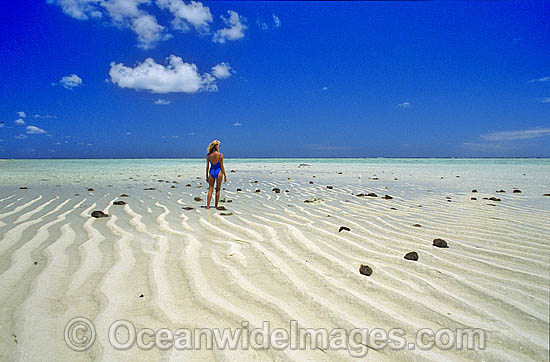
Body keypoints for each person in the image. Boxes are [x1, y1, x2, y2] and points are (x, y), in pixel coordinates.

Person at [205, 140, 227, 209]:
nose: (219, 147)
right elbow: (221, 166)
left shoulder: (208, 155)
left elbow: (207, 166)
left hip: (211, 172)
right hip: (219, 172)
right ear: (216, 146)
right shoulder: (220, 155)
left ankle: (208, 206)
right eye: (218, 146)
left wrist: (206, 176)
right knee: (218, 189)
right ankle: (215, 206)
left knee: (210, 189)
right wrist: (225, 175)